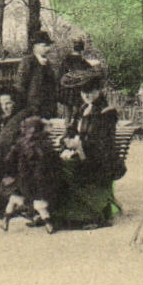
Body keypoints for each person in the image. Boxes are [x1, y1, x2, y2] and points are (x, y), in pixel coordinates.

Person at [54, 68, 123, 228]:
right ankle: (59, 213)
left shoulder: (107, 113)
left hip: (100, 160)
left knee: (65, 169)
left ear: (99, 90)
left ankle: (92, 216)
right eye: (84, 91)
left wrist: (80, 146)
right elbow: (71, 130)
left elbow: (103, 142)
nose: (87, 95)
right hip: (83, 155)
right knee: (55, 165)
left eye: (91, 91)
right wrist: (66, 141)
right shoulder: (82, 109)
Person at [0, 116, 62, 233]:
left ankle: (5, 220)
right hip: (42, 181)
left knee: (13, 197)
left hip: (25, 180)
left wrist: (11, 172)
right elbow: (56, 162)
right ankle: (48, 224)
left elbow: (9, 160)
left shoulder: (20, 144)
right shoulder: (47, 144)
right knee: (39, 202)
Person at [16, 31, 61, 119]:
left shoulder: (48, 63)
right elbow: (20, 85)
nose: (47, 49)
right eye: (44, 46)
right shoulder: (27, 62)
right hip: (33, 108)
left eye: (48, 46)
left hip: (49, 108)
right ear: (35, 47)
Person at [0, 85, 26, 161]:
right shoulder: (0, 120)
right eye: (2, 104)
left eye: (8, 103)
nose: (4, 107)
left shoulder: (19, 120)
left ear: (15, 102)